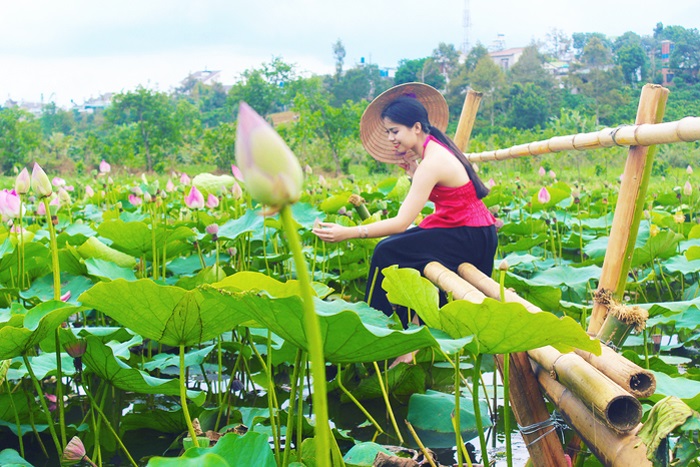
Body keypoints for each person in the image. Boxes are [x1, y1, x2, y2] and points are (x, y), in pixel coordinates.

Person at [312, 82, 497, 330]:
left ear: (416, 127)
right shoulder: (433, 150)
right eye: (388, 132)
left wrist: (348, 233)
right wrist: (414, 173)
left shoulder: (432, 161)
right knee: (392, 250)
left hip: (468, 236)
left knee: (386, 252)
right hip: (467, 230)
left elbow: (400, 223)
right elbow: (452, 195)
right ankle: (405, 331)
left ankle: (380, 332)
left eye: (394, 131)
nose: (390, 138)